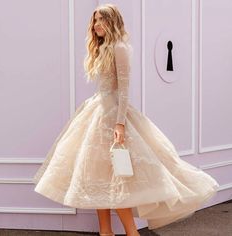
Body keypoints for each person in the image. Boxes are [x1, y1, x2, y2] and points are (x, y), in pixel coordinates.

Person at [33, 3, 220, 236]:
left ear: (112, 22)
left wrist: (120, 124)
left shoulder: (120, 48)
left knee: (117, 180)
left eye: (101, 20)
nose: (96, 25)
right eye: (95, 20)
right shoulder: (102, 48)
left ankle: (132, 232)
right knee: (97, 178)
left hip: (112, 115)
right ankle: (105, 232)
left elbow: (123, 90)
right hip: (96, 112)